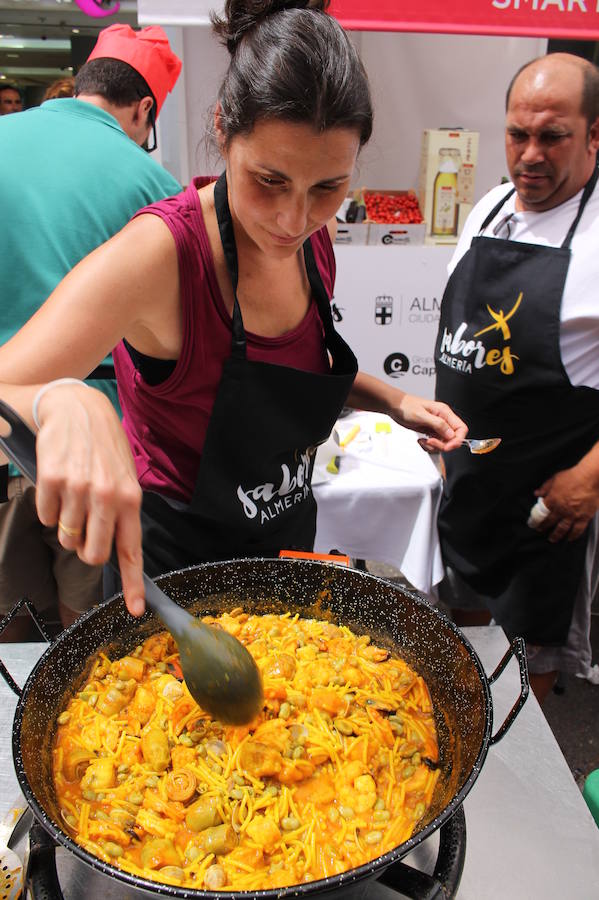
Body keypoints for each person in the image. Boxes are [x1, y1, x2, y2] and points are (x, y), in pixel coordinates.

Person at [0, 0, 467, 621]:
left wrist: (393, 401)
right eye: (269, 180)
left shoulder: (313, 242)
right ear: (222, 128)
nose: (293, 219)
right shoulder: (162, 253)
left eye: (327, 187)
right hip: (175, 580)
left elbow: (284, 374)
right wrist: (60, 400)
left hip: (284, 548)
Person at [0, 23, 182, 636]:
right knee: (91, 641)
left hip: (4, 433)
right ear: (144, 110)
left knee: (11, 626)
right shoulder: (155, 190)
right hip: (95, 461)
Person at [434, 52, 599, 703]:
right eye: (516, 134)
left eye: (551, 136)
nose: (529, 154)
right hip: (468, 492)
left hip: (543, 516)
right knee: (462, 663)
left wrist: (589, 476)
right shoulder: (489, 209)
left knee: (520, 694)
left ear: (592, 135)